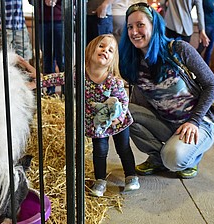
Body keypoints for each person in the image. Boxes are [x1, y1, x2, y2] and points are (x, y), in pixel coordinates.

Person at [19, 34, 140, 196]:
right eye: (101, 46)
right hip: (98, 123)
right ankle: (100, 180)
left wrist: (119, 117)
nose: (105, 50)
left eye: (110, 50)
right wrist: (36, 83)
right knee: (100, 150)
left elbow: (124, 101)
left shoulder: (113, 81)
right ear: (90, 50)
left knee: (123, 148)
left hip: (117, 121)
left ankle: (131, 176)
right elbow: (58, 78)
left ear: (112, 60)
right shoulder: (80, 75)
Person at [119, 3, 214, 179]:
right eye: (130, 27)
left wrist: (194, 121)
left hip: (198, 123)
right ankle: (158, 158)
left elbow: (211, 85)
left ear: (154, 25)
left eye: (140, 25)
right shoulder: (133, 62)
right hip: (166, 123)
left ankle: (190, 157)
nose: (134, 32)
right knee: (122, 113)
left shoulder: (179, 49)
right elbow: (135, 101)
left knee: (173, 159)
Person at [29, 0, 65, 96]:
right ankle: (50, 91)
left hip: (61, 20)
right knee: (47, 57)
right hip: (42, 21)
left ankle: (66, 90)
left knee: (62, 57)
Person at [196, 0, 214, 66]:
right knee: (201, 49)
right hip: (205, 26)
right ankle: (193, 66)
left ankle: (206, 70)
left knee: (209, 50)